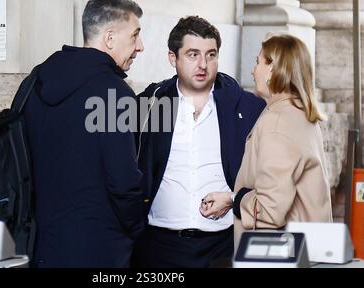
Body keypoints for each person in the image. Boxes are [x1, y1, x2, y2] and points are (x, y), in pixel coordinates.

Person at [132, 16, 266, 268]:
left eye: (211, 55)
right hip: (157, 246)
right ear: (173, 58)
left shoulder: (249, 109)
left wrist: (233, 197)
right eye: (193, 54)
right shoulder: (149, 105)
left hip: (222, 247)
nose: (203, 64)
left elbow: (270, 180)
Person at [24, 0, 145, 267]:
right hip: (100, 247)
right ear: (110, 38)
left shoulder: (36, 81)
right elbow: (123, 180)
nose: (140, 46)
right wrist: (137, 227)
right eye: (135, 35)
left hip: (43, 244)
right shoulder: (115, 93)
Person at [200, 34, 333, 249]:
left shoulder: (277, 122)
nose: (253, 71)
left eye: (258, 62)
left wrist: (233, 199)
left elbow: (270, 210)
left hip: (282, 254)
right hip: (310, 250)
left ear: (272, 69)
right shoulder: (298, 113)